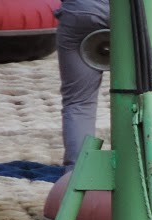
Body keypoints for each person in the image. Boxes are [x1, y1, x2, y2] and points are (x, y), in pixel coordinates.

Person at [56, 0, 109, 167]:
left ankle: (77, 175)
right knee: (148, 93)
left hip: (80, 11)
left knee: (79, 103)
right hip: (136, 15)